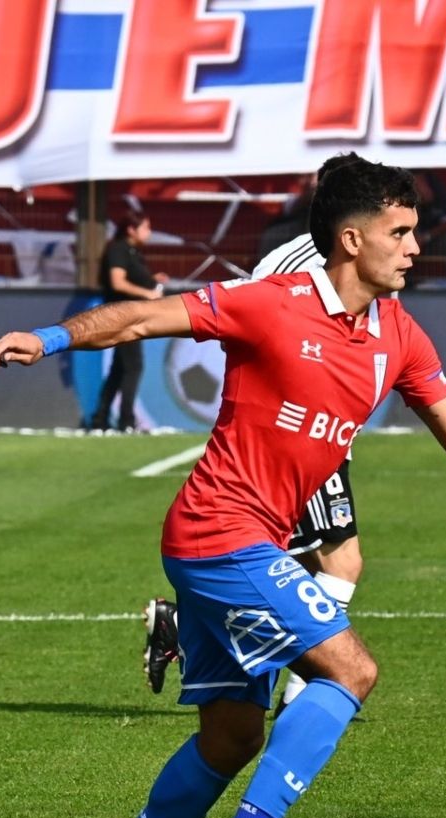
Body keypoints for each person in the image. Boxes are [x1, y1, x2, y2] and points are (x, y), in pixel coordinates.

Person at [0, 153, 446, 818]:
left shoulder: (400, 333)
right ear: (352, 240)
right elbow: (141, 317)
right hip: (218, 534)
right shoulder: (270, 304)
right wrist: (50, 338)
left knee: (231, 736)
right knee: (351, 670)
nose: (417, 247)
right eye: (402, 232)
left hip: (242, 543)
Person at [143, 226, 360, 718]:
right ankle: (304, 699)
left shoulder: (353, 266)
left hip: (320, 436)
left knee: (294, 560)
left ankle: (183, 622)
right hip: (292, 438)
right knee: (337, 560)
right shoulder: (299, 265)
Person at [91, 207, 169, 431]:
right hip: (122, 315)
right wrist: (148, 294)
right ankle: (126, 421)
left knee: (120, 368)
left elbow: (133, 277)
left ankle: (100, 419)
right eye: (146, 227)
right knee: (133, 366)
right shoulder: (118, 249)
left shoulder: (133, 252)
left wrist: (151, 279)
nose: (150, 232)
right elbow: (118, 282)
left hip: (131, 314)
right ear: (131, 229)